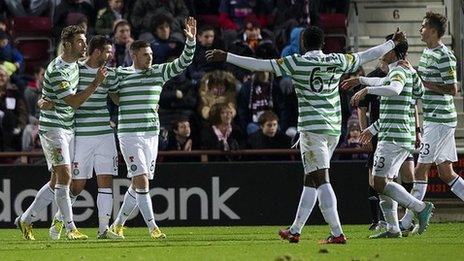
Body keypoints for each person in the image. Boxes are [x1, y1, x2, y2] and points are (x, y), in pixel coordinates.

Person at [207, 25, 407, 244]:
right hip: (332, 130)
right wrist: (391, 43)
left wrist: (226, 56)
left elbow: (260, 65)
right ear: (323, 44)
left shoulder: (297, 62)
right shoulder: (338, 60)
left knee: (321, 179)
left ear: (303, 44)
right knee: (310, 179)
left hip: (312, 130)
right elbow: (366, 56)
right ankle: (295, 229)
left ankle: (337, 233)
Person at [14, 25, 107, 241]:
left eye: (84, 41)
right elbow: (74, 102)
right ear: (66, 44)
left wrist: (44, 100)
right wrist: (95, 83)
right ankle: (70, 227)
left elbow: (47, 95)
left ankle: (26, 219)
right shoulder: (57, 70)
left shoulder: (75, 64)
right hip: (52, 129)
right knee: (65, 175)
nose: (84, 45)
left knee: (57, 180)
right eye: (80, 42)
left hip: (68, 127)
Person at [108, 17, 197, 240]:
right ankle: (152, 227)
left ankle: (117, 225)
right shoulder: (120, 74)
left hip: (151, 133)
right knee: (142, 180)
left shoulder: (158, 72)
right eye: (146, 55)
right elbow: (106, 89)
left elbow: (183, 63)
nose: (150, 57)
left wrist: (191, 41)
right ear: (134, 55)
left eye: (151, 54)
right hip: (129, 134)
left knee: (138, 181)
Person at [347, 36, 434, 239]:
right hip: (395, 134)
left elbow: (393, 89)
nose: (381, 51)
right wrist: (360, 81)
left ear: (394, 52)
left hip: (393, 138)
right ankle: (393, 228)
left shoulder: (398, 70)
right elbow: (415, 90)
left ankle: (420, 208)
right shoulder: (406, 71)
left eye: (386, 48)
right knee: (384, 182)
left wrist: (366, 90)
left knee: (378, 182)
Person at [43, 36, 122, 240]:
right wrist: (42, 100)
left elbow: (117, 98)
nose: (110, 55)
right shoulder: (75, 69)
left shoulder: (109, 73)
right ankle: (60, 220)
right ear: (96, 52)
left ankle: (104, 230)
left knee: (106, 180)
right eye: (107, 51)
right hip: (81, 135)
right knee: (77, 185)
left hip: (105, 134)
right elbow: (54, 92)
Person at [399, 12, 463, 233]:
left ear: (434, 31)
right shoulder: (427, 52)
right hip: (434, 118)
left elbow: (453, 89)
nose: (421, 29)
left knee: (420, 171)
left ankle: (406, 222)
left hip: (440, 119)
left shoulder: (445, 55)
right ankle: (410, 220)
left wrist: (424, 83)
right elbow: (423, 80)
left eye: (424, 26)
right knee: (446, 173)